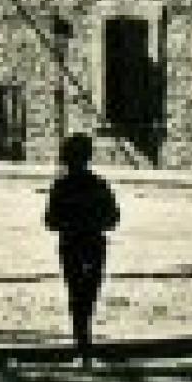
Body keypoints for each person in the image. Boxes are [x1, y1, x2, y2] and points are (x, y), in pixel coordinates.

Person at [45, 133, 121, 366]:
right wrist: (93, 223)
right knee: (88, 294)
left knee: (76, 293)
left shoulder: (62, 186)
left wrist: (70, 223)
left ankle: (82, 344)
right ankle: (84, 344)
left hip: (71, 244)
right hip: (93, 244)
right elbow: (113, 218)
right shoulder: (98, 184)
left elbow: (50, 220)